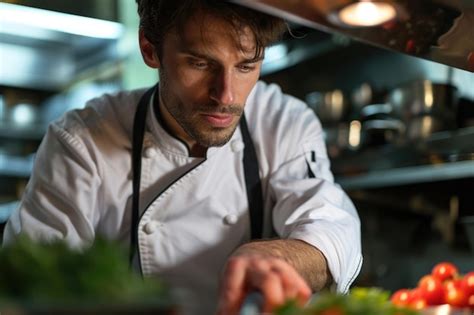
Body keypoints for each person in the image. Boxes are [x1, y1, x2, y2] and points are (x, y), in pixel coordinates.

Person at [3, 1, 362, 314]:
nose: (226, 95)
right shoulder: (81, 141)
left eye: (245, 66)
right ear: (150, 48)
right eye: (201, 63)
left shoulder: (283, 122)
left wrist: (279, 257)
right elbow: (33, 281)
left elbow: (330, 227)